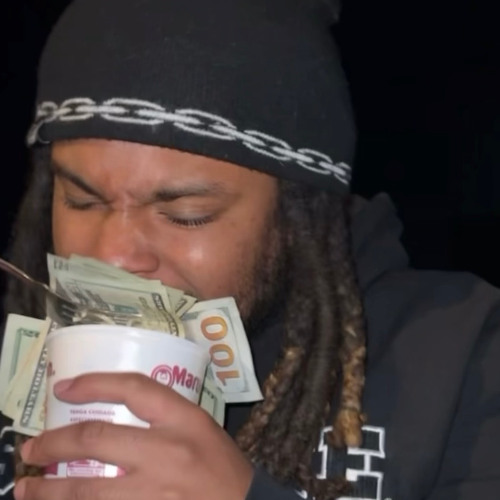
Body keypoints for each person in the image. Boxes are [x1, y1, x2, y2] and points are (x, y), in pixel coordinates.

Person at [1, 0, 499, 499]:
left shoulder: (466, 360)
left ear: (294, 214)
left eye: (186, 213)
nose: (113, 256)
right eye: (82, 200)